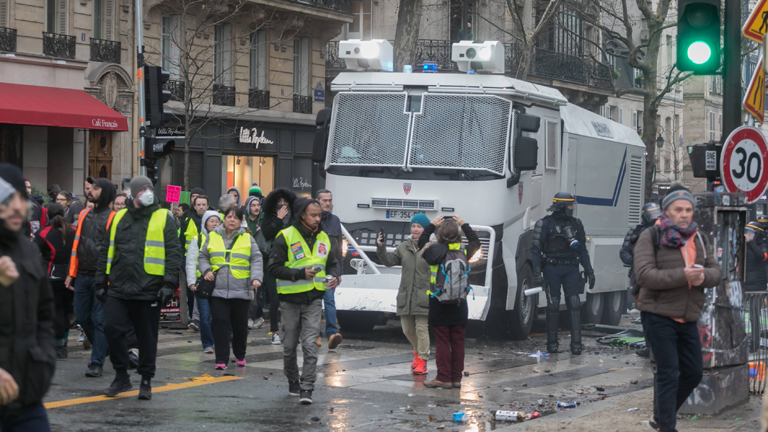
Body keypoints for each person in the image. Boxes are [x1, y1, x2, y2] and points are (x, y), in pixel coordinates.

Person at [634, 184, 721, 432]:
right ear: (666, 211)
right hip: (658, 314)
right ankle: (667, 427)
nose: (684, 214)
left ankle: (661, 416)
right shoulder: (651, 236)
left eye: (688, 210)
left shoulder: (699, 238)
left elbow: (716, 271)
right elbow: (644, 275)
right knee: (668, 373)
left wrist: (703, 277)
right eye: (678, 209)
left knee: (693, 372)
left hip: (688, 316)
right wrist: (683, 275)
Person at [96, 175, 182, 400]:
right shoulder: (119, 217)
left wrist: (169, 284)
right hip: (119, 287)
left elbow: (173, 252)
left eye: (149, 188)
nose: (147, 192)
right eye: (142, 189)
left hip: (148, 289)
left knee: (147, 337)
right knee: (111, 329)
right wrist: (100, 281)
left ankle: (146, 379)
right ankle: (121, 376)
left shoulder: (163, 217)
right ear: (133, 194)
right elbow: (106, 250)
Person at [0, 164, 56, 432]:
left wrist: (43, 361)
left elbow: (45, 314)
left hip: (27, 399)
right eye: (7, 200)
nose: (16, 207)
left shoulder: (29, 250)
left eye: (21, 199)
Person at [268, 198, 339, 405]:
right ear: (302, 216)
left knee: (310, 344)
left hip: (314, 299)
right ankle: (293, 379)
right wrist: (298, 273)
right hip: (290, 300)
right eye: (313, 215)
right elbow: (272, 268)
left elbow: (333, 263)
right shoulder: (286, 236)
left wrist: (335, 276)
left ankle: (307, 387)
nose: (318, 219)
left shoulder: (324, 237)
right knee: (289, 346)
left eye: (319, 215)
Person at [418, 216, 479, 389]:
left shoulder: (434, 251)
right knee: (458, 342)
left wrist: (431, 225)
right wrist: (464, 225)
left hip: (439, 302)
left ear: (440, 235)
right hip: (460, 304)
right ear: (458, 236)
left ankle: (443, 377)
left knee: (443, 341)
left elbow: (421, 242)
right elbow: (475, 241)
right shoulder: (464, 251)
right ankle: (456, 379)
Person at [198, 207, 263, 370]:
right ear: (224, 219)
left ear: (241, 221)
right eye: (229, 217)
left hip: (241, 289)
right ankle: (221, 359)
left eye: (236, 217)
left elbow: (256, 259)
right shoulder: (212, 236)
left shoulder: (247, 238)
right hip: (217, 289)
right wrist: (206, 271)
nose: (232, 220)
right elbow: (203, 256)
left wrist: (256, 278)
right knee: (219, 323)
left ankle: (240, 354)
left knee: (239, 326)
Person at [531, 192, 595, 355]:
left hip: (571, 267)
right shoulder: (544, 224)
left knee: (574, 303)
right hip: (552, 268)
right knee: (553, 305)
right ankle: (552, 344)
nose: (572, 208)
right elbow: (536, 250)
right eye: (570, 205)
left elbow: (582, 249)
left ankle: (576, 345)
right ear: (561, 207)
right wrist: (537, 274)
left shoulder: (576, 223)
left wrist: (589, 270)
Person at [66, 178, 116, 377]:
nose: (90, 191)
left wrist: (109, 278)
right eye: (90, 188)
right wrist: (71, 273)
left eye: (95, 188)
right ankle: (103, 347)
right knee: (81, 316)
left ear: (105, 193)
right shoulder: (84, 214)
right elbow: (76, 246)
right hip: (82, 274)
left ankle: (96, 362)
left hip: (101, 277)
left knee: (98, 319)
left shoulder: (113, 218)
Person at [377, 213, 432, 375]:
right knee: (407, 330)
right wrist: (381, 247)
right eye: (413, 226)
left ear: (426, 229)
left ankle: (423, 360)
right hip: (406, 295)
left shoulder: (431, 247)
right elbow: (389, 261)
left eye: (419, 226)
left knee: (421, 329)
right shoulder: (404, 246)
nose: (415, 229)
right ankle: (418, 352)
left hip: (424, 295)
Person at [33, 203, 76, 359]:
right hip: (72, 276)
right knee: (66, 310)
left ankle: (58, 345)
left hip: (51, 277)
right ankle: (63, 343)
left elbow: (32, 252)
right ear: (64, 213)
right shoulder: (74, 230)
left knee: (56, 310)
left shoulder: (44, 233)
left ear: (47, 215)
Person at [620, 202, 662, 357]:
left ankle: (660, 346)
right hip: (639, 276)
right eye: (652, 215)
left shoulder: (664, 231)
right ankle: (649, 346)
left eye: (656, 214)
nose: (654, 218)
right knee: (645, 313)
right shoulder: (635, 231)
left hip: (658, 276)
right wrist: (636, 261)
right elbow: (624, 252)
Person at [260, 188, 297, 344]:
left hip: (291, 262)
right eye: (279, 202)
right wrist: (278, 219)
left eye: (285, 202)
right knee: (274, 299)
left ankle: (292, 332)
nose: (282, 205)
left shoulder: (295, 217)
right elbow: (267, 233)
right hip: (272, 261)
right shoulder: (269, 216)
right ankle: (274, 332)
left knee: (291, 300)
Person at [185, 211, 221, 353]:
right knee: (204, 316)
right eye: (211, 221)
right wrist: (191, 282)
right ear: (205, 223)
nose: (214, 224)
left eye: (217, 221)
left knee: (218, 316)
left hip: (219, 283)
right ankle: (207, 344)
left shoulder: (223, 239)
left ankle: (218, 341)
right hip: (202, 284)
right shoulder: (198, 239)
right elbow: (190, 262)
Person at [316, 189, 343, 349]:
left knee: (329, 300)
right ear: (317, 201)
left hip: (330, 269)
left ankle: (332, 334)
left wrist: (339, 274)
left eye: (330, 200)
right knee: (314, 302)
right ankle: (315, 335)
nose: (327, 203)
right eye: (324, 200)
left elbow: (339, 250)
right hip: (313, 269)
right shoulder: (312, 219)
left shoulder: (335, 220)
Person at [181, 195, 210, 329]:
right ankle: (197, 320)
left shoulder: (214, 219)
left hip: (211, 270)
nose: (201, 207)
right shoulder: (187, 219)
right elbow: (182, 240)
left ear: (208, 206)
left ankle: (201, 320)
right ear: (194, 206)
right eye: (198, 205)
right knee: (195, 294)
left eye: (203, 205)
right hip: (192, 262)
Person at [745, 221, 767, 353]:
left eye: (750, 233)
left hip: (757, 287)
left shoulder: (763, 246)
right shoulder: (745, 246)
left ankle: (755, 343)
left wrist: (750, 243)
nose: (747, 235)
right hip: (745, 287)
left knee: (754, 317)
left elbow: (761, 256)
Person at [244, 196, 265, 329]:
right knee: (251, 289)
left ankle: (251, 317)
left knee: (256, 289)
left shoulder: (263, 219)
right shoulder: (243, 220)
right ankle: (258, 316)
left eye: (258, 205)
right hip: (246, 257)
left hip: (260, 257)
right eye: (253, 205)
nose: (256, 208)